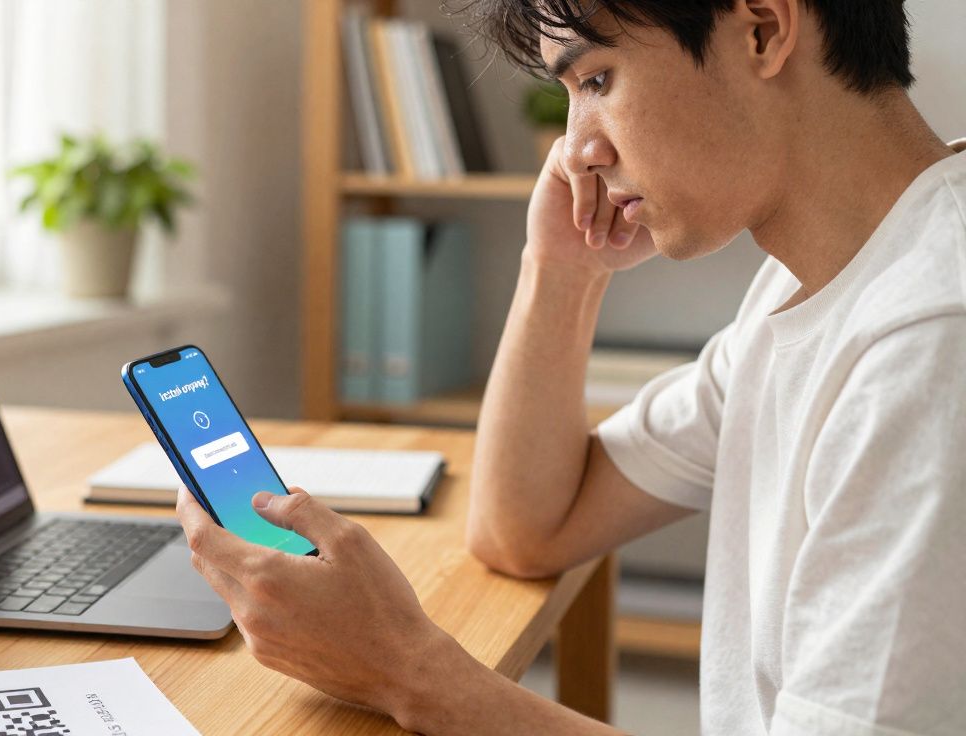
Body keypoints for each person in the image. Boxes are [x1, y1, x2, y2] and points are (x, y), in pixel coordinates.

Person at [177, 0, 966, 733]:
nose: (574, 151)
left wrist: (408, 671)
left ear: (761, 28)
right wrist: (560, 268)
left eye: (597, 79)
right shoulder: (811, 286)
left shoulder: (930, 339)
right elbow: (527, 528)